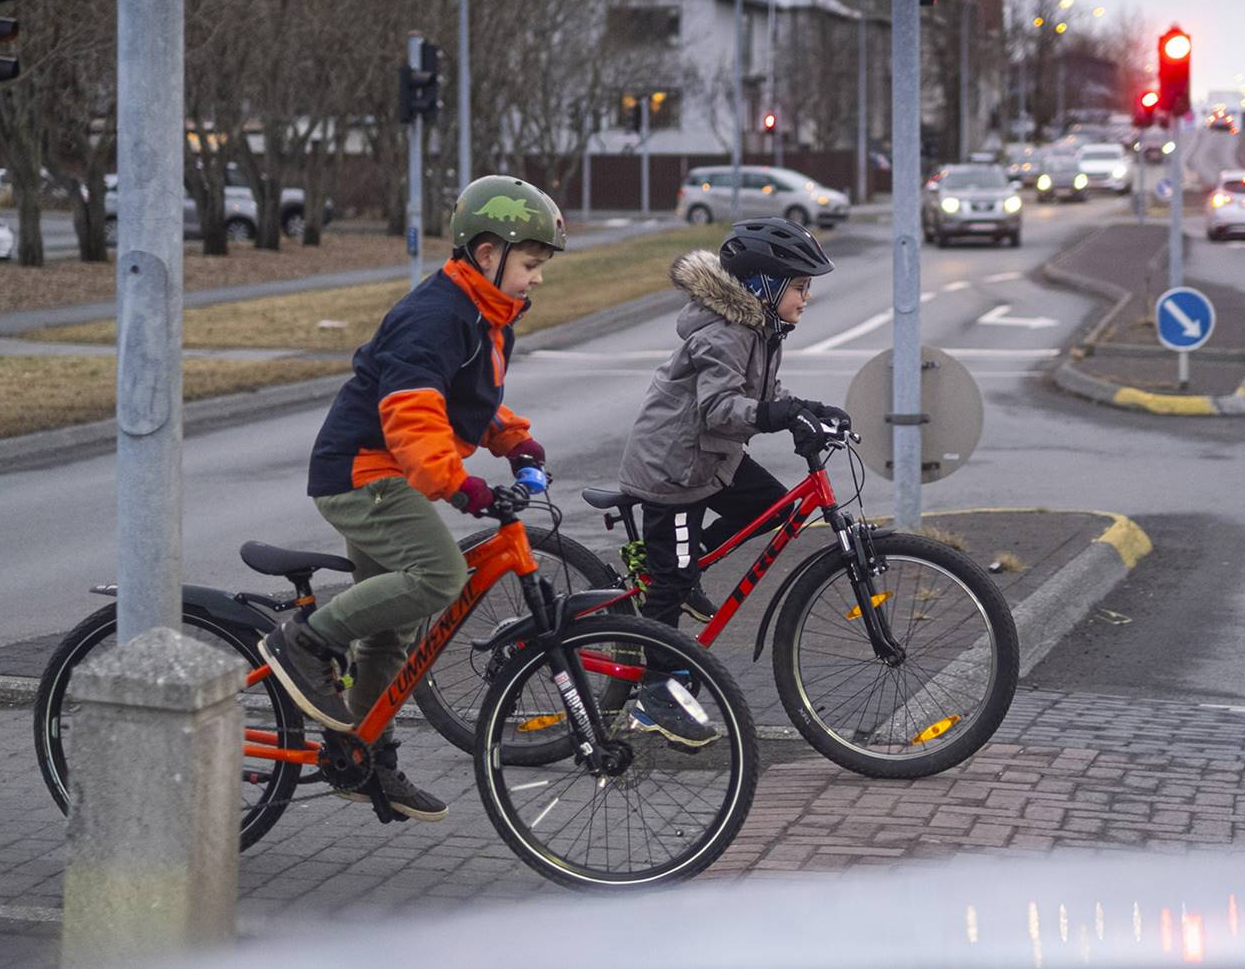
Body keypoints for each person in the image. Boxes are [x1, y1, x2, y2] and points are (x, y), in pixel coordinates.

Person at [260, 175, 566, 823]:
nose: (537, 278)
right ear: (489, 254)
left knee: (392, 635)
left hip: (387, 472)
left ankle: (362, 755)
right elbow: (413, 417)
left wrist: (513, 441)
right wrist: (461, 488)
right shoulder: (435, 315)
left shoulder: (483, 318)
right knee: (439, 575)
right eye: (531, 264)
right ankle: (308, 641)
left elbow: (464, 403)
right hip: (361, 473)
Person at [616, 218, 848, 745]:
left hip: (711, 460)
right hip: (673, 470)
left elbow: (764, 391)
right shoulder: (726, 332)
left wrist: (806, 409)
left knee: (778, 507)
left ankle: (684, 562)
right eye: (800, 286)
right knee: (668, 584)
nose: (806, 298)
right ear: (765, 286)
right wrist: (780, 415)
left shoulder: (762, 330)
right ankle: (656, 693)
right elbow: (721, 409)